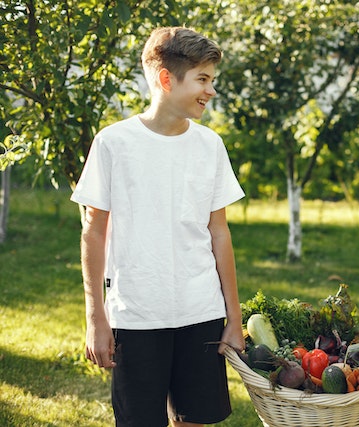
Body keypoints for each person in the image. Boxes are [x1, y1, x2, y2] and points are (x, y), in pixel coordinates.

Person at [70, 27, 245, 427]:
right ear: (167, 79)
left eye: (212, 80)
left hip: (200, 311)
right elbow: (93, 233)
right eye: (202, 79)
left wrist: (232, 319)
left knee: (195, 420)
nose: (210, 91)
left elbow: (220, 234)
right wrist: (96, 319)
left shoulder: (210, 146)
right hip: (136, 316)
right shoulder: (114, 143)